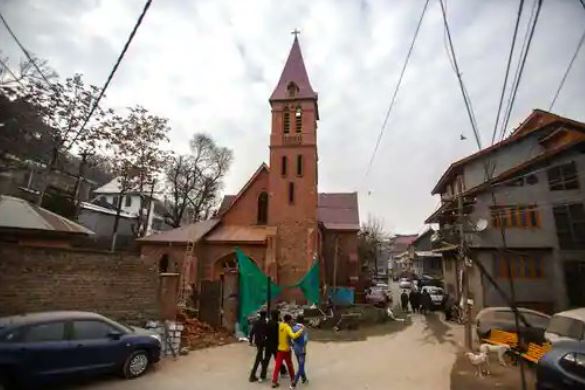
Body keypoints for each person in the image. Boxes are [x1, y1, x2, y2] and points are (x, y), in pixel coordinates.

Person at [271, 314, 304, 388]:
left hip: (280, 349)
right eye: (291, 319)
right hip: (286, 350)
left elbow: (286, 336)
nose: (292, 320)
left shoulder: (280, 325)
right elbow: (293, 336)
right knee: (290, 365)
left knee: (277, 366)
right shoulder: (287, 328)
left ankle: (274, 381)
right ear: (289, 320)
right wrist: (301, 330)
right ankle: (293, 379)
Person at [262, 310, 286, 381]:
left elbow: (265, 333)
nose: (279, 316)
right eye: (279, 315)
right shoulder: (277, 324)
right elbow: (279, 335)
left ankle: (263, 375)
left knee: (266, 359)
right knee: (278, 359)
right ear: (276, 316)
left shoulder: (268, 323)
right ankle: (283, 371)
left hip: (268, 344)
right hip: (275, 345)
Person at [249, 311, 268, 382]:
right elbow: (267, 333)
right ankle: (252, 375)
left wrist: (250, 341)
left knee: (259, 357)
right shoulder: (265, 323)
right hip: (262, 342)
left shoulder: (256, 322)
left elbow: (252, 332)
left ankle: (263, 371)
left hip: (257, 342)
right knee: (258, 358)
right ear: (265, 315)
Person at [290, 315, 309, 389]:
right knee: (301, 366)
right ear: (303, 320)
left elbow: (291, 338)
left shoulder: (293, 328)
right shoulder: (303, 329)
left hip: (295, 349)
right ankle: (294, 383)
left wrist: (293, 345)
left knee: (300, 364)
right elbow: (305, 340)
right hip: (302, 350)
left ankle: (304, 378)